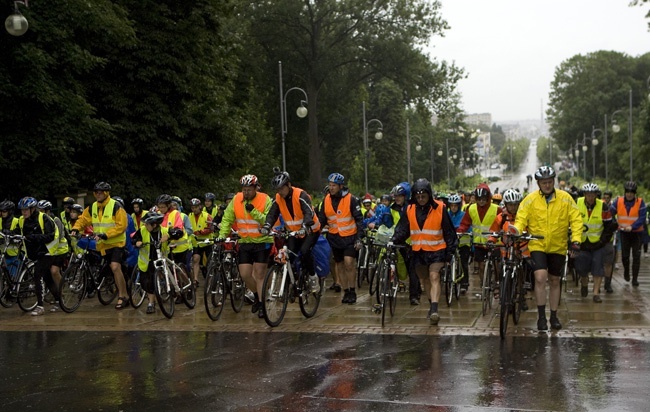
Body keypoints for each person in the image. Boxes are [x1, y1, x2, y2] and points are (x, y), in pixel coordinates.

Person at [513, 166, 583, 331]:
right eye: (544, 182)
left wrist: (576, 240)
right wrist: (516, 230)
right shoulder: (530, 200)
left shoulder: (565, 199)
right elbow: (521, 218)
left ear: (554, 182)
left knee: (554, 280)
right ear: (538, 183)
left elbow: (576, 219)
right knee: (540, 277)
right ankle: (541, 317)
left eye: (550, 182)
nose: (547, 185)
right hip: (537, 244)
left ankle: (553, 315)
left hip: (557, 246)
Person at [390, 178, 458, 325]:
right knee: (425, 280)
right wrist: (394, 239)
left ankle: (434, 309)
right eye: (418, 196)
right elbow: (403, 229)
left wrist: (450, 251)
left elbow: (449, 231)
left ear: (429, 195)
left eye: (424, 196)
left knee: (434, 277)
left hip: (437, 251)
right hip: (418, 252)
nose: (421, 199)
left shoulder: (440, 208)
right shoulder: (409, 209)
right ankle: (431, 303)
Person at [218, 174, 273, 318]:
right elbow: (227, 218)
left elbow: (268, 219)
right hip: (245, 242)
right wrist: (223, 235)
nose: (246, 192)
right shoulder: (237, 199)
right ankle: (256, 295)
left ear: (256, 188)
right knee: (245, 274)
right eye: (244, 189)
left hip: (262, 241)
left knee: (259, 274)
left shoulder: (265, 199)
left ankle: (262, 305)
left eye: (249, 189)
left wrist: (253, 211)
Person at [261, 167, 321, 293]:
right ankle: (293, 283)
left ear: (289, 185)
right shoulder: (278, 198)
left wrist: (306, 225)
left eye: (282, 188)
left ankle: (312, 276)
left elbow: (308, 212)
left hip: (310, 230)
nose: (280, 192)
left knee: (305, 252)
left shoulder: (301, 195)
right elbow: (272, 214)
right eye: (278, 189)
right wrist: (267, 225)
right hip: (293, 232)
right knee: (289, 256)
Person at [71, 182, 130, 309]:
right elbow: (83, 219)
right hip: (103, 244)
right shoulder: (92, 207)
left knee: (115, 267)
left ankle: (123, 296)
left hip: (116, 243)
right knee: (106, 268)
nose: (98, 194)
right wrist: (76, 228)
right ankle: (110, 287)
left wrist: (106, 234)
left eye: (101, 192)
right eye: (96, 192)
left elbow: (122, 225)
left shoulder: (116, 206)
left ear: (106, 193)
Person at [317, 172, 364, 304]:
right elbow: (321, 219)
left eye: (334, 185)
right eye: (330, 185)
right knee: (340, 264)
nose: (331, 188)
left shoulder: (351, 199)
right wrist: (315, 231)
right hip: (334, 238)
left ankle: (353, 291)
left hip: (350, 237)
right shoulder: (326, 200)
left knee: (349, 262)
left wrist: (359, 237)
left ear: (341, 186)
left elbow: (359, 219)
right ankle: (346, 291)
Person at [15, 197, 57, 316]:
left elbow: (51, 236)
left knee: (37, 275)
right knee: (47, 278)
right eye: (22, 210)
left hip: (47, 252)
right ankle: (59, 299)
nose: (24, 212)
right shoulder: (22, 220)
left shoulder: (43, 218)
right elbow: (18, 231)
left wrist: (34, 237)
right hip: (34, 253)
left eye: (26, 210)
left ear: (33, 209)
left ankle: (40, 306)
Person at [575, 183, 615, 302]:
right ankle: (584, 283)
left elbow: (609, 226)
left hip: (598, 244)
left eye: (593, 195)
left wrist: (603, 240)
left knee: (598, 268)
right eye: (588, 194)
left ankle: (596, 294)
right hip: (582, 243)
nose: (590, 197)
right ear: (585, 194)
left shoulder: (603, 206)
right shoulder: (577, 203)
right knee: (582, 268)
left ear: (596, 195)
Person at [458, 183, 500, 291]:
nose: (481, 201)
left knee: (497, 265)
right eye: (479, 199)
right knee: (481, 266)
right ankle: (483, 285)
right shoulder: (471, 209)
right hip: (479, 243)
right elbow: (465, 223)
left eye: (484, 199)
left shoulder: (496, 209)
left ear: (488, 198)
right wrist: (460, 231)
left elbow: (502, 223)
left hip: (494, 243)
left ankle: (498, 284)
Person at [132, 212, 172, 314]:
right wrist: (137, 242)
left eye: (147, 224)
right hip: (146, 262)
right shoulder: (142, 230)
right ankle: (151, 302)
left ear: (154, 225)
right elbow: (134, 239)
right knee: (148, 283)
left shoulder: (164, 231)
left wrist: (168, 237)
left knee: (156, 280)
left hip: (160, 260)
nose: (145, 225)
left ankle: (151, 303)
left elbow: (178, 233)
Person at [610, 181, 646, 287]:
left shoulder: (640, 202)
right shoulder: (619, 201)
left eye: (632, 192)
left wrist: (633, 227)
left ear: (635, 193)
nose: (629, 194)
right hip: (624, 233)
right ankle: (626, 271)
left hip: (637, 233)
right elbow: (610, 213)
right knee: (625, 256)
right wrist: (614, 223)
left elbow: (642, 217)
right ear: (625, 192)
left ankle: (635, 279)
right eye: (627, 192)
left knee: (636, 256)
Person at [389, 182, 420, 305]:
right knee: (407, 268)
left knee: (413, 269)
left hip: (413, 243)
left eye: (400, 196)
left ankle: (414, 296)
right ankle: (415, 290)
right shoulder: (393, 209)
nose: (397, 198)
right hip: (400, 242)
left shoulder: (411, 208)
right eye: (395, 196)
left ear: (405, 196)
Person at [36, 200, 70, 311]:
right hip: (49, 252)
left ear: (48, 211)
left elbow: (58, 237)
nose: (40, 213)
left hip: (60, 251)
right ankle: (55, 295)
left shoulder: (56, 220)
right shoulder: (39, 221)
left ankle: (62, 294)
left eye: (42, 210)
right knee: (45, 274)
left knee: (54, 271)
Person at [447, 193, 471, 294]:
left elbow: (468, 227)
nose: (453, 208)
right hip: (451, 242)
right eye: (451, 205)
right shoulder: (447, 215)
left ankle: (464, 283)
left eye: (455, 205)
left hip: (463, 242)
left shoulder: (463, 215)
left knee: (463, 262)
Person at [189, 197, 213, 287]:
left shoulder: (207, 216)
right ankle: (195, 280)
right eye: (192, 207)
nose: (194, 209)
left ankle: (210, 279)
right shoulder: (189, 216)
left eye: (196, 207)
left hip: (207, 242)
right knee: (196, 259)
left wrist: (201, 232)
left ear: (200, 207)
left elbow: (211, 228)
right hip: (196, 242)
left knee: (209, 262)